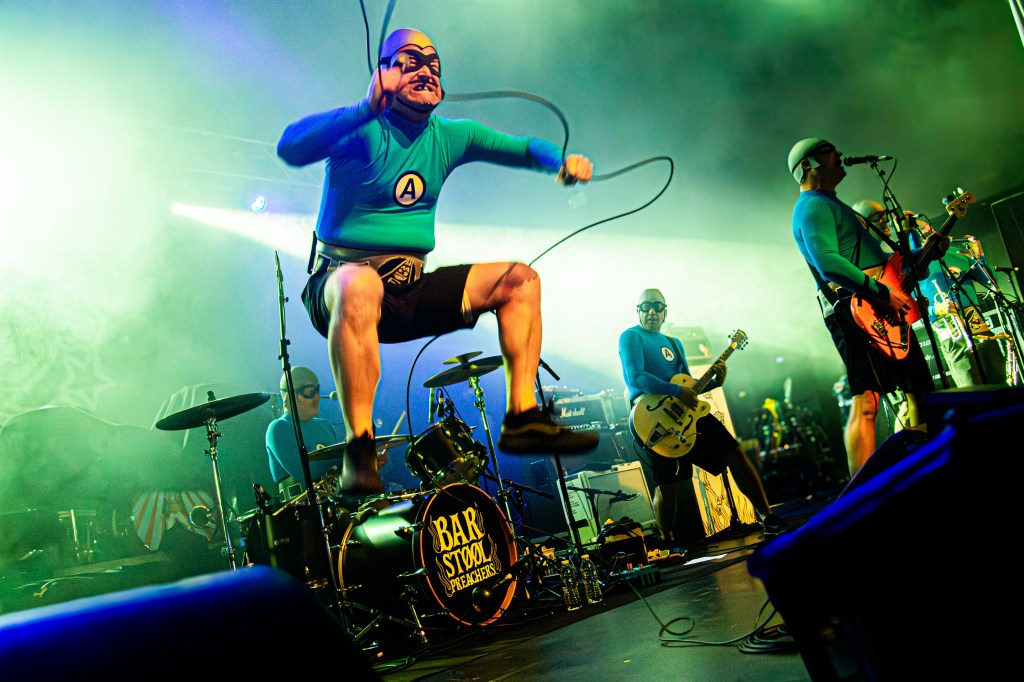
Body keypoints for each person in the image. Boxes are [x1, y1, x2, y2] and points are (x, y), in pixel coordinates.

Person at [276, 28, 598, 495]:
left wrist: (560, 162)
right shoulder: (361, 128)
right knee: (359, 284)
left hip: (408, 289)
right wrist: (364, 108)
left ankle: (523, 417)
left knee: (520, 280)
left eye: (434, 64)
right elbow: (289, 147)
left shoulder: (450, 136)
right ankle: (359, 450)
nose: (426, 70)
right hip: (338, 289)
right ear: (383, 73)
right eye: (411, 61)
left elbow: (524, 148)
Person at [788, 137, 949, 477]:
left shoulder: (835, 204)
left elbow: (881, 261)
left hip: (881, 306)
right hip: (855, 308)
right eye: (829, 150)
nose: (839, 154)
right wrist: (882, 292)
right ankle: (861, 491)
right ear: (807, 164)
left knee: (919, 390)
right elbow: (828, 262)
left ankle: (919, 471)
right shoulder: (812, 206)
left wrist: (924, 253)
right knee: (867, 401)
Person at [618, 288, 787, 545]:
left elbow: (689, 385)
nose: (652, 311)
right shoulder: (631, 336)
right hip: (652, 418)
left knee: (735, 452)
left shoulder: (675, 343)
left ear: (665, 312)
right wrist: (677, 391)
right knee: (667, 483)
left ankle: (768, 517)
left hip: (686, 416)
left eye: (657, 306)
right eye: (646, 306)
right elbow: (636, 377)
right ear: (637, 310)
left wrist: (715, 382)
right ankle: (669, 542)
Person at [908, 216, 1007, 387]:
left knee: (1000, 382)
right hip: (950, 331)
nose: (929, 230)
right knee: (971, 387)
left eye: (929, 227)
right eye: (921, 229)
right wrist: (935, 309)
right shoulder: (912, 264)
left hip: (978, 325)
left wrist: (979, 257)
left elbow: (990, 281)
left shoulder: (956, 252)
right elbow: (909, 306)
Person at [265, 366, 342, 502]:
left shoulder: (324, 425)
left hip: (337, 503)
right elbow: (303, 473)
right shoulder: (278, 428)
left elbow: (341, 469)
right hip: (302, 510)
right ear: (288, 397)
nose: (316, 398)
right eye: (308, 392)